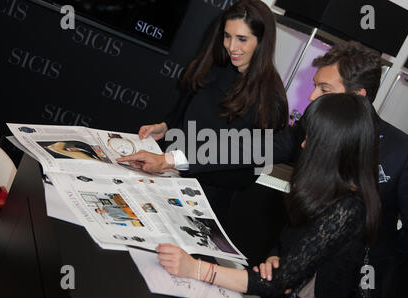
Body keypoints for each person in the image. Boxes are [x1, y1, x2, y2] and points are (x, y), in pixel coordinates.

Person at [156, 93, 381, 298]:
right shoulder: (324, 186)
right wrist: (278, 258)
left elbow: (278, 283)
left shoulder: (348, 208)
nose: (303, 144)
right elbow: (294, 243)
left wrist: (195, 269)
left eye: (312, 138)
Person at [268, 41, 408, 298]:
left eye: (324, 88)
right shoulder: (312, 123)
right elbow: (266, 149)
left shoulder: (403, 152)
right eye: (315, 85)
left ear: (358, 96)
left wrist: (367, 255)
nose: (312, 96)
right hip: (291, 269)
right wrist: (193, 153)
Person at [117, 0, 288, 223]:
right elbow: (190, 101)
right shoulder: (215, 65)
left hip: (202, 202)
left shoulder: (270, 99)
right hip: (161, 177)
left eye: (242, 39)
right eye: (227, 36)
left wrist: (179, 165)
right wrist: (168, 124)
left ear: (262, 41)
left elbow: (244, 174)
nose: (232, 47)